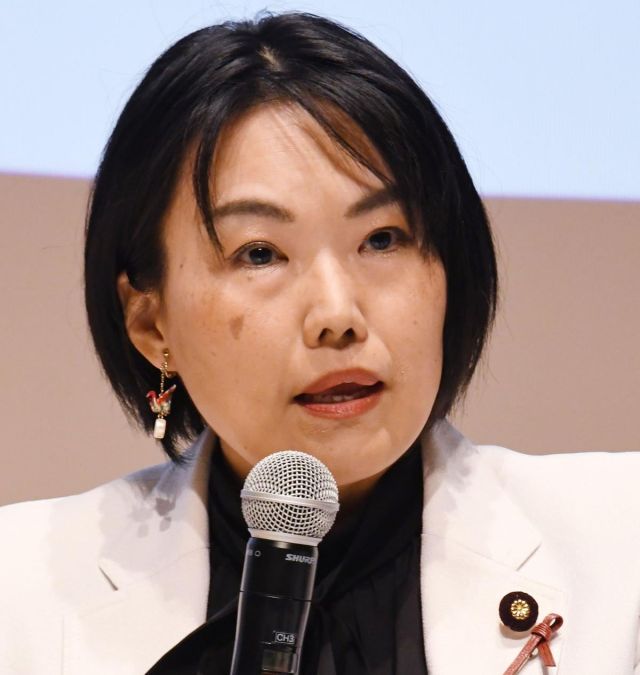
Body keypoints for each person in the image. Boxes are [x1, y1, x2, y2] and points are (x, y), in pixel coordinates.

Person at [1, 11, 639, 675]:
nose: (337, 314)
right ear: (151, 324)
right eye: (260, 253)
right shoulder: (19, 597)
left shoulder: (622, 548)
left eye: (382, 239)